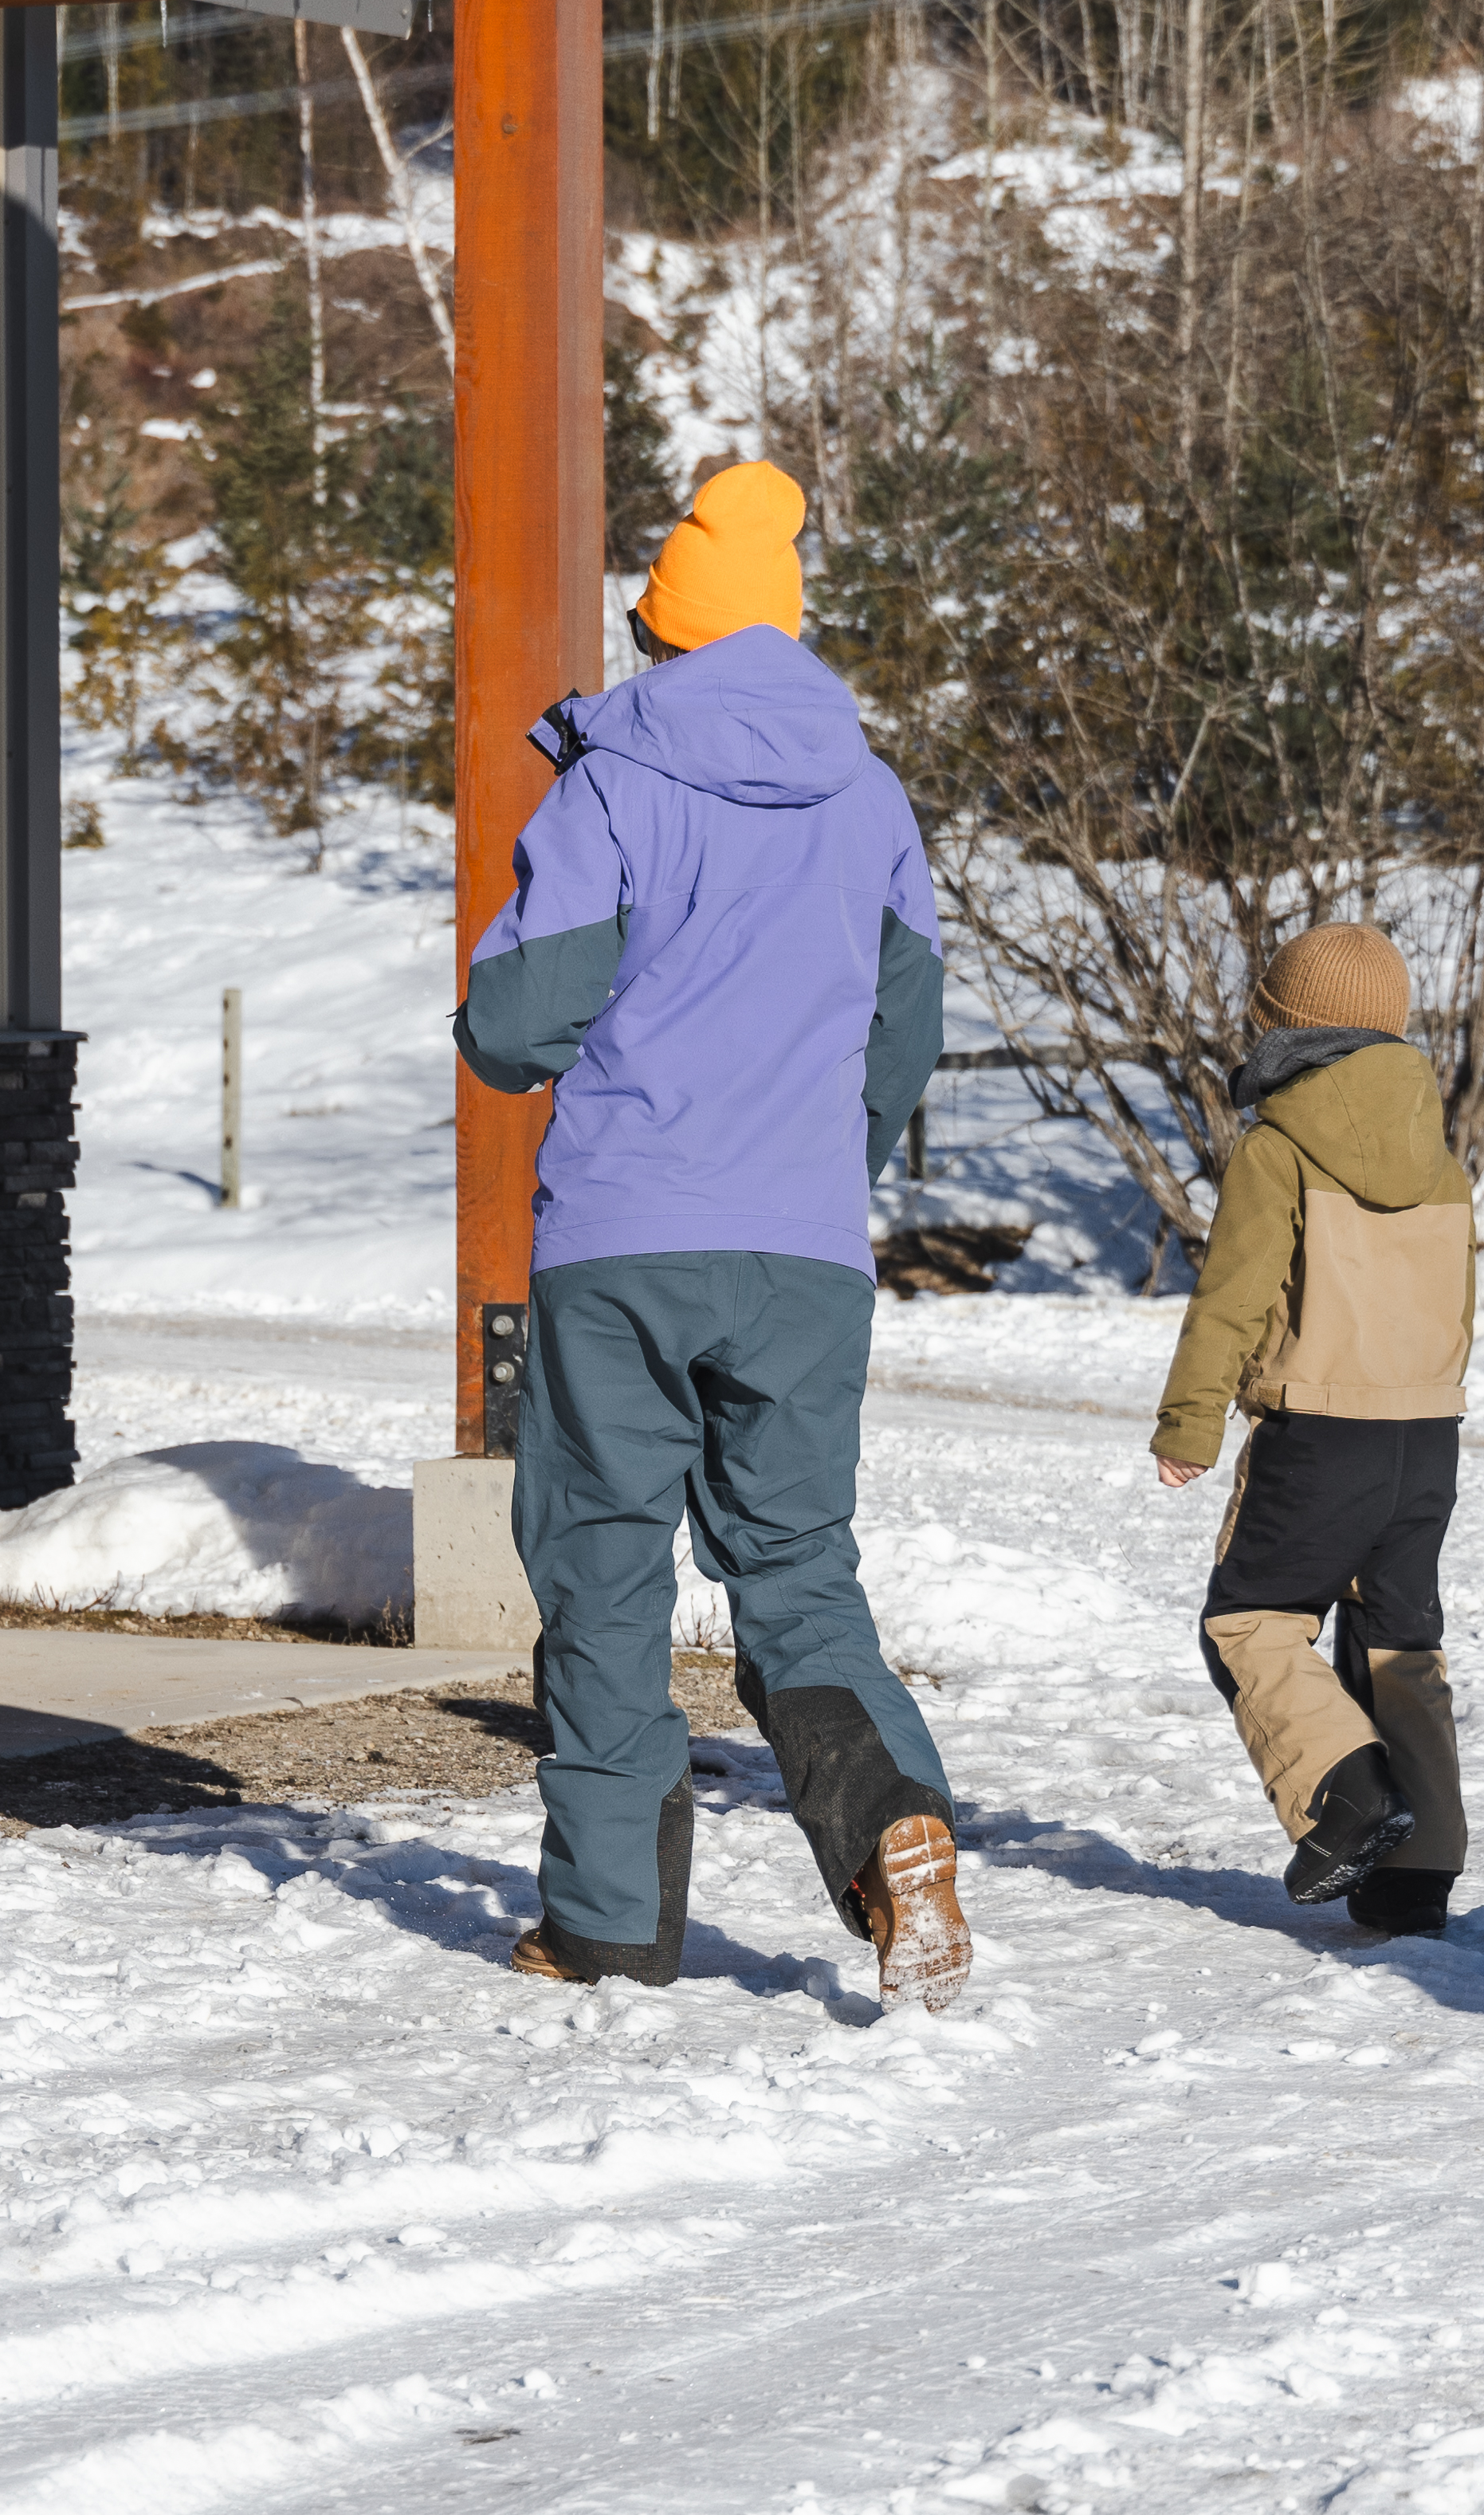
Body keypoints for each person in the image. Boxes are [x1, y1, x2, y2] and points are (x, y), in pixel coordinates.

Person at [456, 460, 965, 2006]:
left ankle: (609, 1922)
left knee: (607, 1564)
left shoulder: (613, 778)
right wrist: (829, 1164)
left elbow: (518, 1019)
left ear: (663, 632)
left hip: (625, 1234)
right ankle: (893, 1822)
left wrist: (510, 1020)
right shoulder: (874, 795)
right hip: (806, 1247)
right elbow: (907, 1035)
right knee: (799, 1562)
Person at [1145, 924, 1474, 1940]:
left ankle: (1347, 1794)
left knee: (1250, 1620)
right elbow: (1459, 1304)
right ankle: (1416, 1876)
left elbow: (1234, 1297)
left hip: (1319, 1432)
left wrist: (1190, 1420)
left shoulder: (1278, 1144)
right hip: (1427, 1431)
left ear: (1284, 1025)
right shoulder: (1444, 1156)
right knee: (1397, 1644)